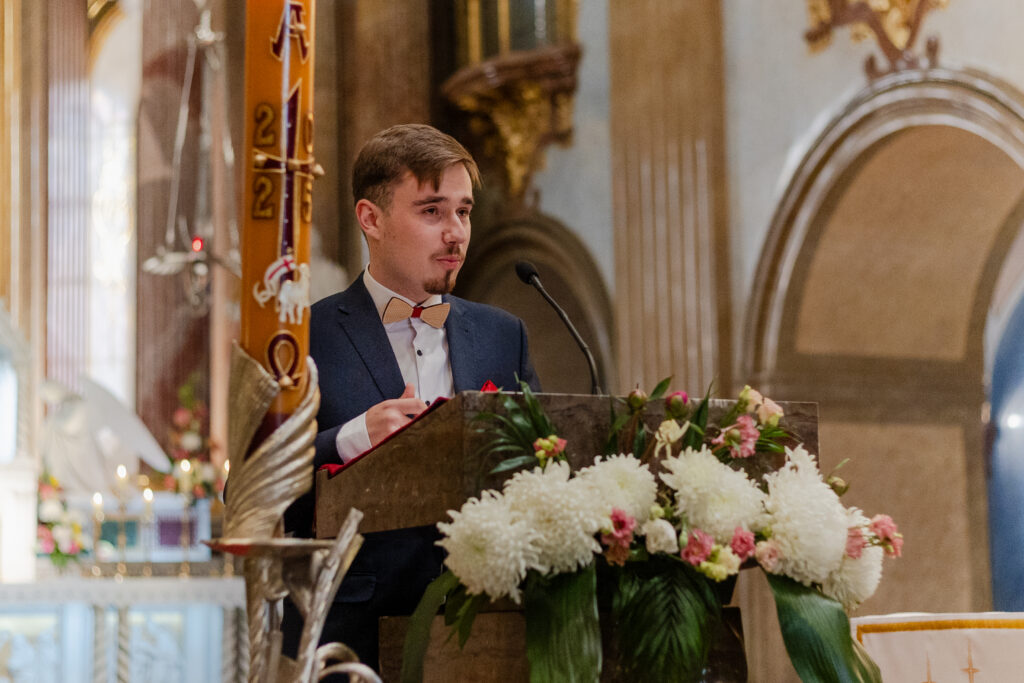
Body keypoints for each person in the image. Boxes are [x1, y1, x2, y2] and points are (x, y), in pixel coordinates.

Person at [282, 123, 540, 671]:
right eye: (432, 211)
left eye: (463, 212)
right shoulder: (303, 337)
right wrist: (352, 439)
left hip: (486, 632)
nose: (456, 233)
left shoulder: (504, 336)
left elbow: (541, 468)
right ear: (371, 219)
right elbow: (248, 494)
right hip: (352, 639)